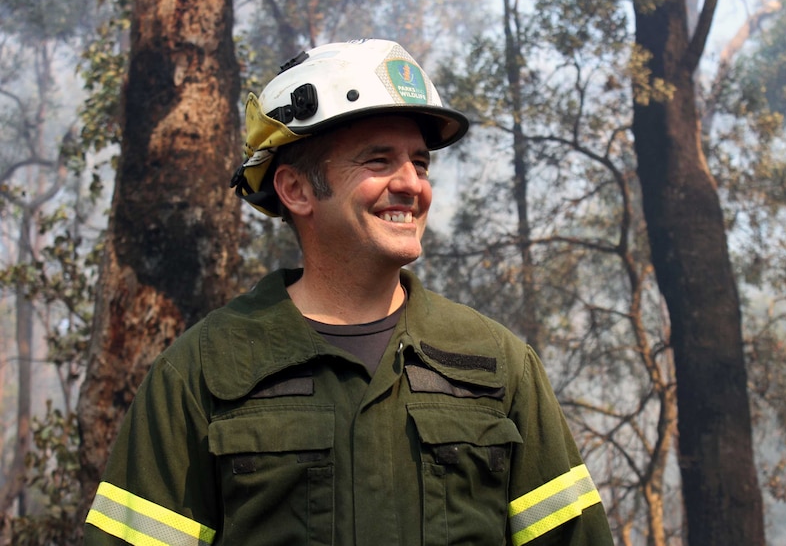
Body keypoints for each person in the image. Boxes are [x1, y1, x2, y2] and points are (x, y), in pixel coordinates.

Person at [83, 39, 614, 546]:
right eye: (379, 161)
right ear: (296, 189)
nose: (412, 183)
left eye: (421, 162)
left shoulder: (498, 364)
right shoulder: (202, 372)